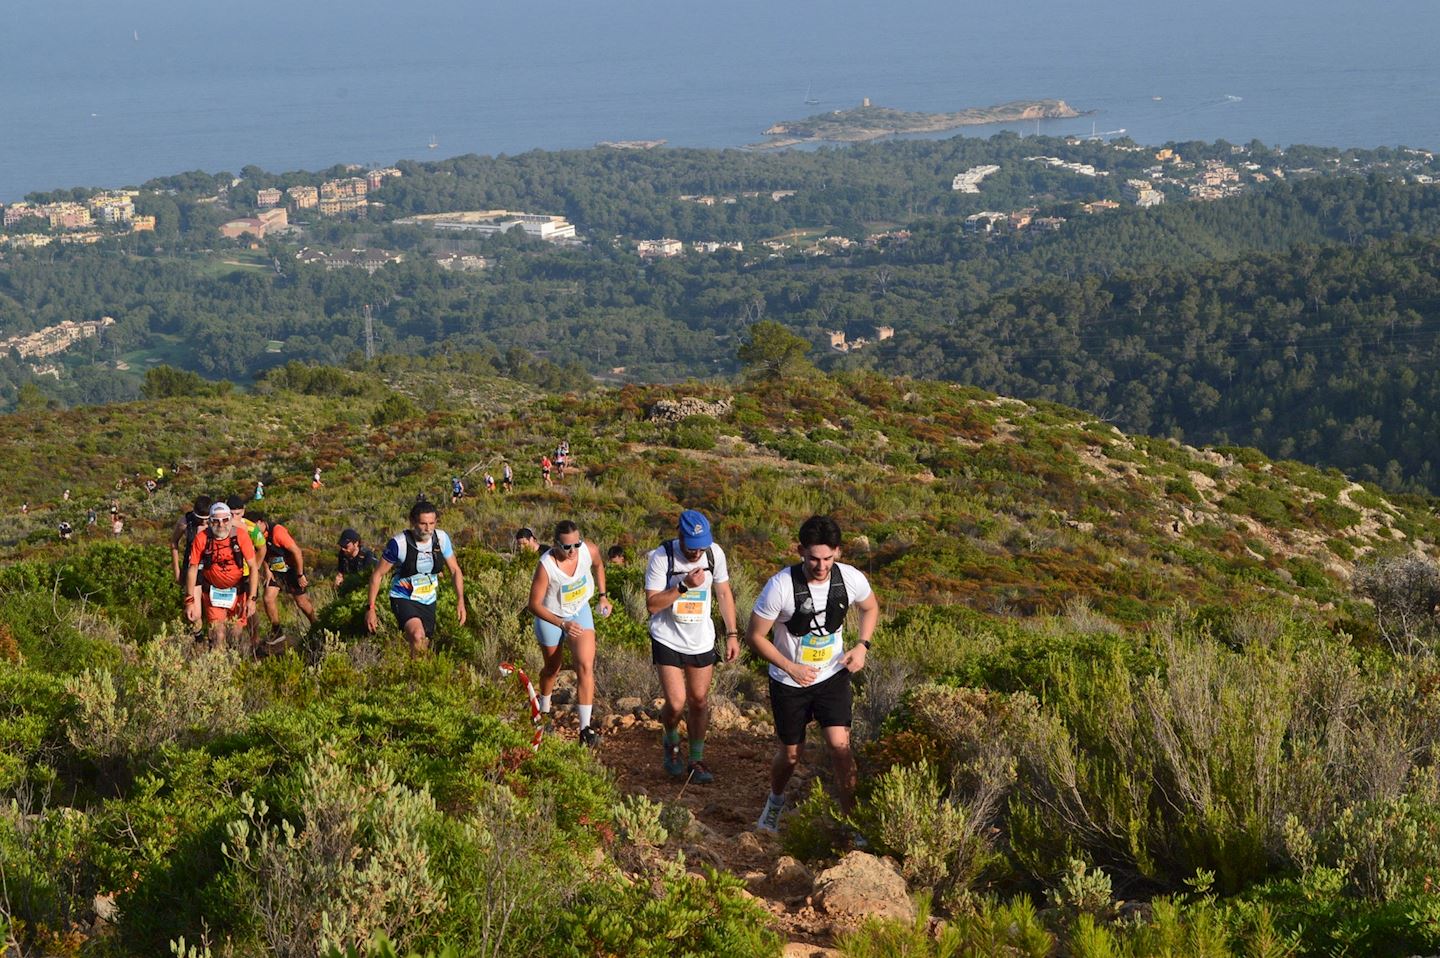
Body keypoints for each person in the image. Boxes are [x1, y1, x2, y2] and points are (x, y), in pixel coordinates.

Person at [747, 515, 879, 834]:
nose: (821, 566)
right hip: (788, 682)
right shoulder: (780, 587)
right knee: (791, 753)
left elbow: (870, 608)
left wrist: (862, 645)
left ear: (838, 552)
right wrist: (790, 666)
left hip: (831, 676)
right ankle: (774, 804)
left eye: (827, 559)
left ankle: (852, 821)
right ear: (800, 551)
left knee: (840, 747)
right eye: (813, 559)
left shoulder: (850, 579)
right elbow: (755, 636)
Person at [644, 510, 739, 783]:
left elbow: (723, 592)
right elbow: (652, 604)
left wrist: (731, 634)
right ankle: (671, 744)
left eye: (702, 546)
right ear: (680, 536)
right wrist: (684, 585)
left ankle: (696, 760)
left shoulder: (714, 554)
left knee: (698, 701)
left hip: (700, 638)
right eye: (692, 547)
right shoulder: (662, 557)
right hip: (667, 636)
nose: (697, 552)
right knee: (675, 703)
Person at [527, 520, 612, 747]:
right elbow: (534, 605)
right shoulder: (546, 566)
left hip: (579, 610)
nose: (573, 551)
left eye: (576, 544)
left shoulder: (588, 550)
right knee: (552, 668)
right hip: (551, 617)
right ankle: (543, 713)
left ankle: (585, 729)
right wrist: (562, 624)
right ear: (555, 545)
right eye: (567, 547)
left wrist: (603, 595)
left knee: (585, 665)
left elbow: (599, 564)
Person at [366, 501, 466, 653]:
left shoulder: (442, 539)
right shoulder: (399, 544)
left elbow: (455, 570)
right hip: (403, 596)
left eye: (432, 523)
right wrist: (371, 608)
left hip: (428, 598)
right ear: (413, 522)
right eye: (423, 523)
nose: (428, 528)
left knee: (423, 643)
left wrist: (460, 601)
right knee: (417, 635)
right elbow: (377, 575)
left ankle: (415, 672)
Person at [184, 502, 262, 650]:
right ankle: (218, 667)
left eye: (225, 520)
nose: (221, 524)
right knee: (217, 635)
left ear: (230, 520)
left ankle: (236, 668)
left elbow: (253, 567)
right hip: (213, 593)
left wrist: (252, 599)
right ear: (210, 521)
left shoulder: (241, 536)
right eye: (216, 520)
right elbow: (193, 568)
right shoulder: (202, 538)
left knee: (235, 635)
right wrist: (190, 601)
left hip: (238, 592)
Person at [251, 512, 318, 649]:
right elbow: (262, 553)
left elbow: (297, 552)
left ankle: (316, 626)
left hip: (292, 570)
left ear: (260, 522)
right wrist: (268, 571)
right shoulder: (256, 536)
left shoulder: (277, 532)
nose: (252, 529)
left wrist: (300, 574)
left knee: (301, 601)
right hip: (276, 571)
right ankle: (277, 630)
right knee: (268, 598)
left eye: (253, 526)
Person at [171, 495, 214, 607]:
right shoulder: (185, 522)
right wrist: (177, 570)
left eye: (207, 519)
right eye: (200, 518)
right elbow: (174, 542)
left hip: (212, 569)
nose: (204, 522)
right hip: (192, 568)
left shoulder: (217, 522)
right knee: (194, 611)